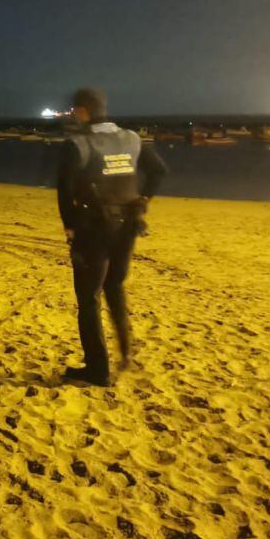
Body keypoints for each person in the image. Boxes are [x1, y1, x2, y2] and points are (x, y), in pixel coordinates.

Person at [57, 88, 167, 386]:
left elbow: (64, 189)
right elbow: (158, 171)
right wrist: (144, 198)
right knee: (115, 286)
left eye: (74, 112)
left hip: (94, 228)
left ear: (82, 112)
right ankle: (126, 352)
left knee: (89, 298)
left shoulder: (78, 144)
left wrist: (69, 225)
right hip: (128, 225)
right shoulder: (131, 138)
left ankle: (98, 369)